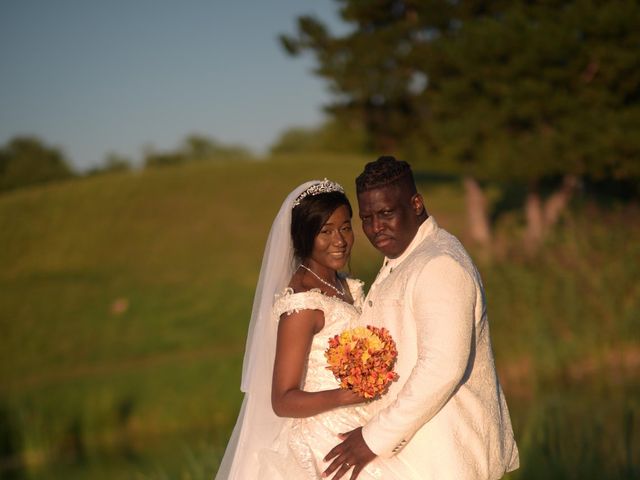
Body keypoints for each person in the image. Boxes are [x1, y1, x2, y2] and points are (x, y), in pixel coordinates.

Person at [323, 156, 520, 480]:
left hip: (445, 457)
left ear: (416, 204)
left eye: (386, 214)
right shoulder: (404, 255)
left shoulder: (440, 263)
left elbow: (442, 367)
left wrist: (372, 439)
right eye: (367, 218)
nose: (375, 228)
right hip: (415, 457)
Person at [215, 179, 419, 479]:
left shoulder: (344, 284)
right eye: (325, 231)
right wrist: (344, 395)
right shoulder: (303, 302)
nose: (339, 240)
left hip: (363, 426)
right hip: (324, 439)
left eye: (345, 227)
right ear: (304, 237)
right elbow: (283, 400)